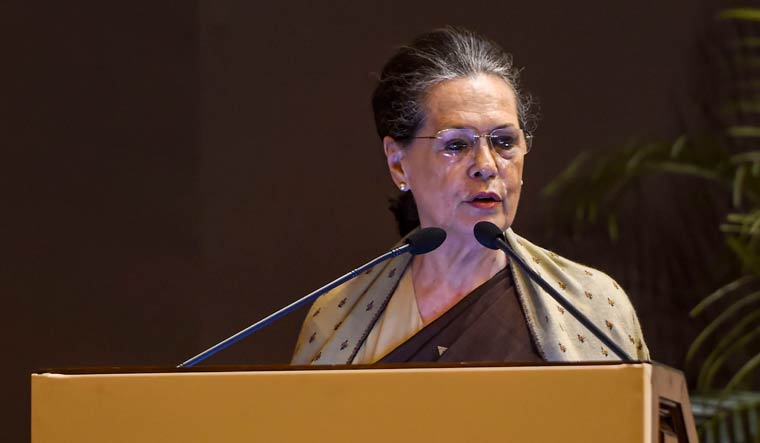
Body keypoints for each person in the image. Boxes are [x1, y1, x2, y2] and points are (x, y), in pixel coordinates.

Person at [291, 27, 649, 365]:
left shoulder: (591, 307)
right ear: (398, 163)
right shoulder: (337, 319)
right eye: (456, 145)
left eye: (504, 142)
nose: (486, 166)